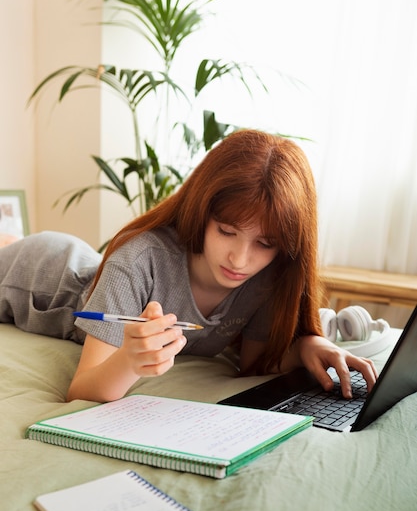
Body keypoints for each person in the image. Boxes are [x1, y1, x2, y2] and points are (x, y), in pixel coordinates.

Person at [0, 130, 377, 403]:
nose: (240, 260)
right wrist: (130, 362)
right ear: (201, 211)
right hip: (42, 278)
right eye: (226, 231)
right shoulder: (139, 258)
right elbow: (82, 390)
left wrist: (309, 344)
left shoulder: (265, 279)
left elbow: (255, 363)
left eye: (265, 243)